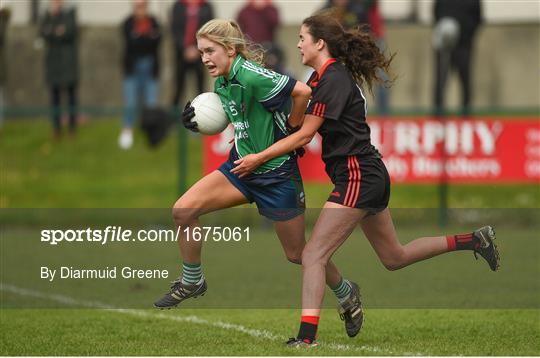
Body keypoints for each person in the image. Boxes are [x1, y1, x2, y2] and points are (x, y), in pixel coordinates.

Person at [230, 13, 500, 346]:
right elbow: (297, 126)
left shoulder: (333, 80)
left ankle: (306, 339)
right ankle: (474, 240)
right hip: (365, 174)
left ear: (320, 43)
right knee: (394, 257)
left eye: (303, 37)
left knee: (313, 255)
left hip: (358, 174)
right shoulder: (319, 79)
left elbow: (304, 137)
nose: (298, 43)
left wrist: (258, 157)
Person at [153, 21, 360, 329]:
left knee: (298, 254)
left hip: (276, 176)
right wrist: (198, 118)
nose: (205, 58)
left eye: (210, 51)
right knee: (183, 211)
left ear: (230, 49)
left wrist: (293, 123)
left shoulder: (251, 74)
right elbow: (235, 115)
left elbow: (302, 91)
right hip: (241, 169)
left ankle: (347, 293)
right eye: (201, 52)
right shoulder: (222, 81)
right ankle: (192, 281)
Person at [120, 0, 161, 149]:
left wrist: (141, 38)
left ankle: (151, 134)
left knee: (151, 102)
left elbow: (155, 43)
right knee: (130, 101)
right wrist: (146, 38)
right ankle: (127, 131)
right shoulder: (127, 23)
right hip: (133, 67)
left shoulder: (154, 22)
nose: (140, 9)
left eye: (143, 6)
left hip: (150, 67)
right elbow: (132, 44)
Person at [433, 0, 482, 117]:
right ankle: (438, 114)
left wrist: (467, 36)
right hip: (444, 46)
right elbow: (436, 13)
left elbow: (478, 18)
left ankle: (466, 114)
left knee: (465, 81)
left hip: (464, 45)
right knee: (441, 81)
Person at [39, 0, 79, 139]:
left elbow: (69, 31)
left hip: (67, 62)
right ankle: (56, 128)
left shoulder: (70, 13)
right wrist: (56, 30)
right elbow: (43, 32)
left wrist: (55, 31)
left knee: (71, 96)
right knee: (54, 96)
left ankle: (72, 128)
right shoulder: (47, 15)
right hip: (53, 63)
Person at [170, 0, 214, 109]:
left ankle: (204, 115)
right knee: (178, 88)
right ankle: (174, 120)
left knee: (201, 88)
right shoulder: (178, 5)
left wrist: (197, 49)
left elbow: (209, 29)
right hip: (181, 54)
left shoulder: (206, 6)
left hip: (200, 54)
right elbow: (174, 29)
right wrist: (185, 48)